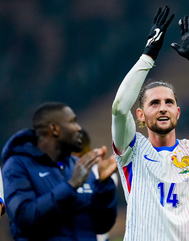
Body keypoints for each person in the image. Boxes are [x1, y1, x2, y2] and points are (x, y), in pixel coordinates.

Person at [111, 6, 189, 240]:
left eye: (168, 102)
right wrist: (148, 55)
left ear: (177, 112)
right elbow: (119, 107)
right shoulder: (131, 151)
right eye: (154, 103)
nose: (163, 108)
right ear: (140, 115)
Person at [1, 102, 117, 241]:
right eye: (73, 122)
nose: (79, 128)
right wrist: (71, 186)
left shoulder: (78, 166)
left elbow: (101, 225)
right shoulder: (17, 165)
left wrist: (104, 186)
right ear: (54, 129)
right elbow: (24, 218)